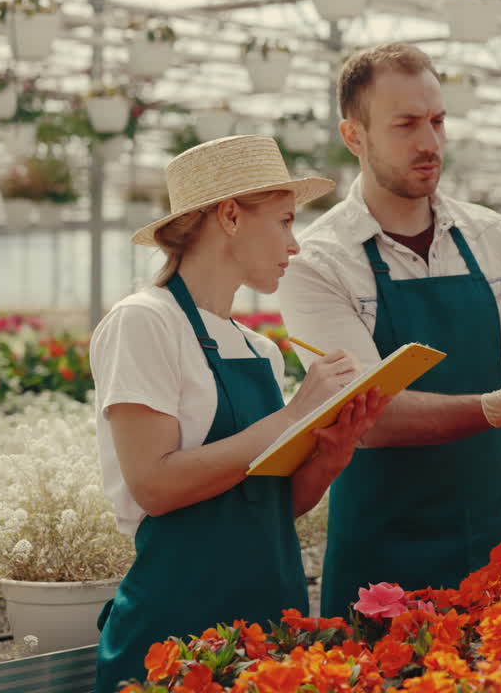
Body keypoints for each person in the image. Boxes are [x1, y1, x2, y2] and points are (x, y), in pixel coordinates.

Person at [277, 43, 501, 619]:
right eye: (406, 124)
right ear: (353, 135)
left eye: (438, 121)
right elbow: (368, 415)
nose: (431, 143)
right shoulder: (319, 261)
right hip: (383, 552)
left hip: (498, 531)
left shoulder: (493, 237)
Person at [90, 136, 388, 693]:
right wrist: (294, 414)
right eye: (283, 221)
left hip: (266, 620)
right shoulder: (144, 322)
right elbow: (154, 485)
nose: (294, 245)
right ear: (229, 216)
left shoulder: (259, 351)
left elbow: (271, 505)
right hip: (176, 631)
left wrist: (331, 455)